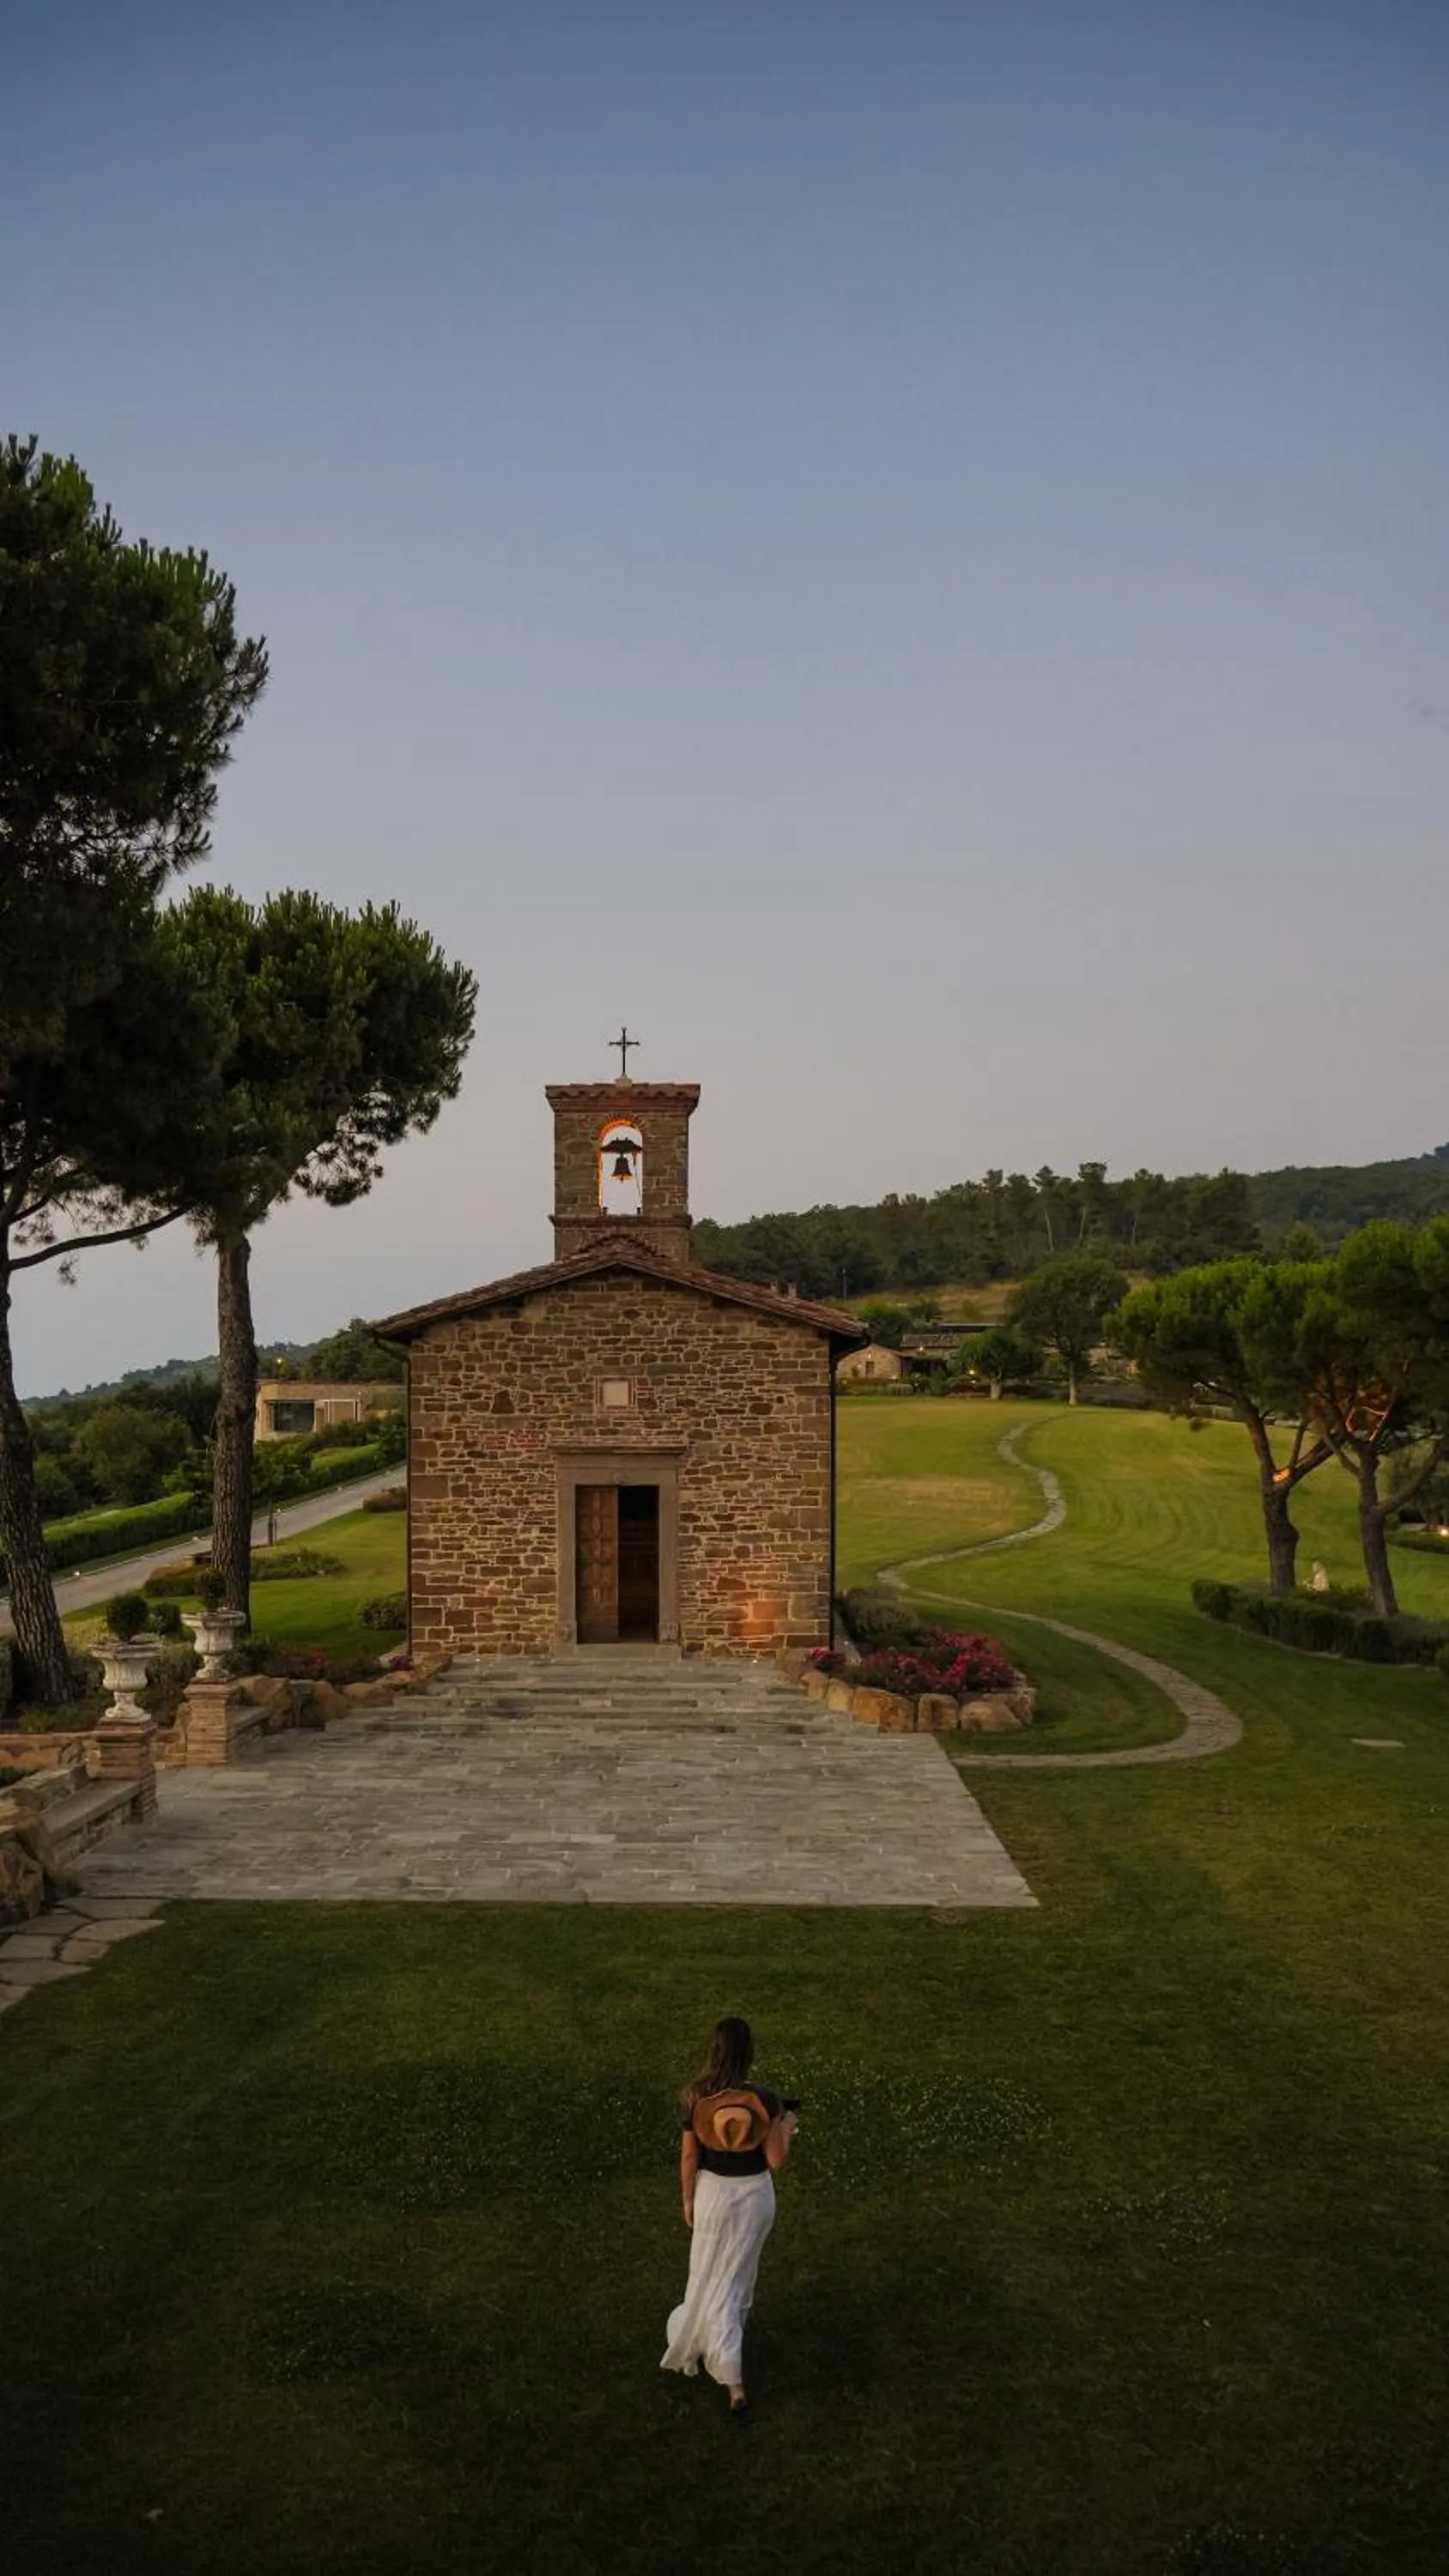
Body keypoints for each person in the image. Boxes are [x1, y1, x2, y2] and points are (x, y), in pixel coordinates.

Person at [660, 2014, 797, 2414]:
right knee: (736, 2280)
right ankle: (732, 2377)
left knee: (706, 2274)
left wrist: (688, 2199)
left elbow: (689, 2155)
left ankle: (719, 2353)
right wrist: (786, 2126)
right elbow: (776, 2160)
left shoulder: (694, 2097)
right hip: (754, 2199)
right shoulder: (765, 2100)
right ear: (749, 2052)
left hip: (713, 2197)